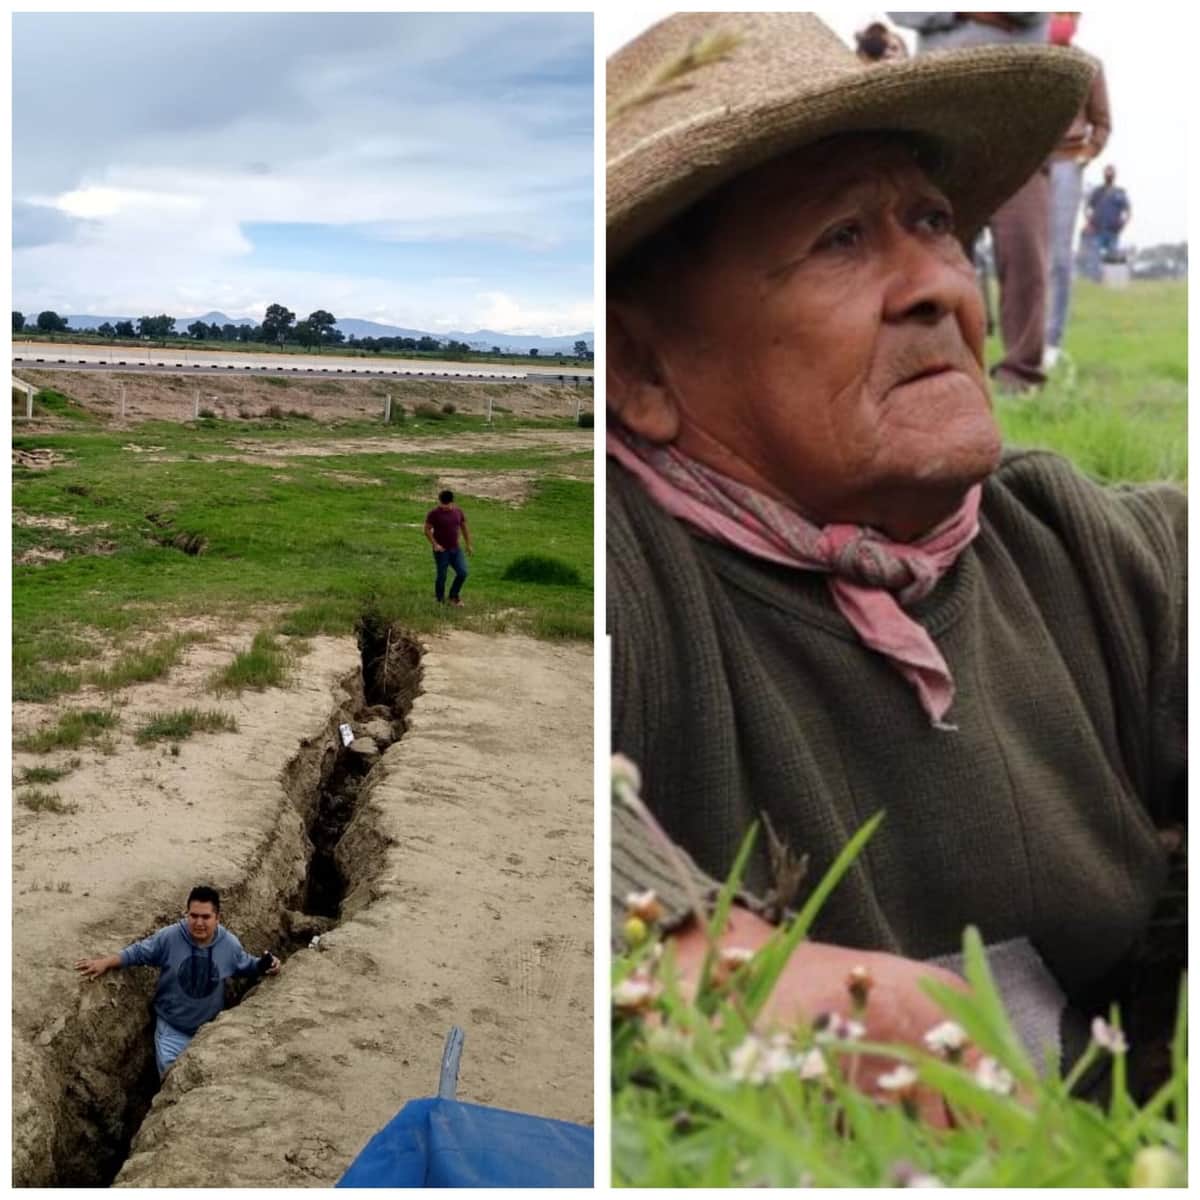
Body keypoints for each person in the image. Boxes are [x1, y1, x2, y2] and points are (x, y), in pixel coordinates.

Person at [608, 13, 1183, 1103]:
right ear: (642, 366)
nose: (943, 289)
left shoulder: (1075, 550)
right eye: (841, 239)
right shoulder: (634, 572)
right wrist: (681, 949)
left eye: (933, 224)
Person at [889, 12, 1052, 391]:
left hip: (1019, 129)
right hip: (939, 128)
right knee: (935, 255)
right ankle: (942, 365)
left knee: (1025, 252)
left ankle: (1021, 374)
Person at [75, 885, 280, 1077]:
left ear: (217, 917)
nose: (199, 923)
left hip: (210, 1033)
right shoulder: (169, 937)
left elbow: (247, 966)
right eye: (194, 916)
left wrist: (267, 965)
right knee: (172, 1082)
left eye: (206, 917)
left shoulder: (229, 945)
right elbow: (138, 952)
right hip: (171, 1030)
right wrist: (105, 962)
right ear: (187, 914)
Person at [1044, 14, 1111, 368]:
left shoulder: (1089, 66)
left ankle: (1051, 342)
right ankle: (1022, 341)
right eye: (1056, 11)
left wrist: (1087, 153)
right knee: (1025, 256)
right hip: (1027, 164)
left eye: (1069, 13)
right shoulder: (1030, 59)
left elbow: (1102, 122)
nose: (1062, 20)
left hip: (1067, 163)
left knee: (1059, 257)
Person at [424, 489, 473, 606]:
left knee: (462, 573)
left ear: (452, 502)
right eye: (442, 504)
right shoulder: (434, 513)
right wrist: (435, 544)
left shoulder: (458, 512)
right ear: (439, 501)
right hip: (441, 551)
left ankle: (453, 596)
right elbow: (426, 529)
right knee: (442, 576)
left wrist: (468, 544)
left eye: (447, 504)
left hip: (455, 549)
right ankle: (439, 600)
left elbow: (464, 528)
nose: (444, 507)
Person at [1086, 164, 1132, 265]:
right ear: (1104, 175)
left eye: (1111, 173)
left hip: (1113, 231)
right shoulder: (1097, 192)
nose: (1109, 175)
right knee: (1095, 259)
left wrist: (1124, 223)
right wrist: (1089, 224)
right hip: (1097, 230)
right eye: (1107, 173)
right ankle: (1096, 278)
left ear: (1114, 176)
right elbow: (1088, 208)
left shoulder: (1120, 193)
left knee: (1111, 259)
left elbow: (1128, 211)